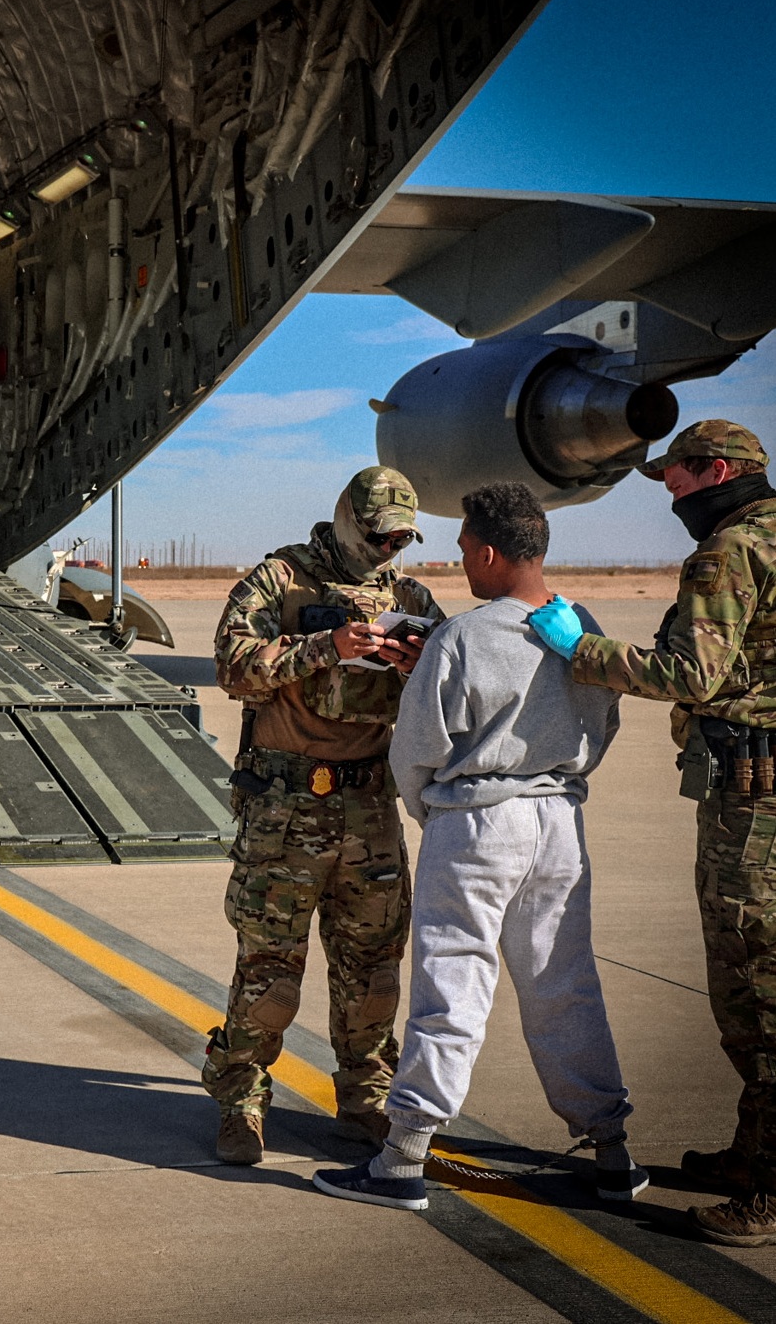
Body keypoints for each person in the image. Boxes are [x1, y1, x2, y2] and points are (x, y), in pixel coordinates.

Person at [315, 483, 643, 1212]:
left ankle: (402, 1158)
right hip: (558, 819)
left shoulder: (461, 637)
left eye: (464, 549)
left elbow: (418, 750)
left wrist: (440, 817)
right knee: (565, 984)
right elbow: (605, 723)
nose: (462, 564)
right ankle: (612, 1150)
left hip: (477, 822)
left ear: (490, 552)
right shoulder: (578, 627)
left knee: (452, 990)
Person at [531, 419, 776, 1247]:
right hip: (759, 786)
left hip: (755, 807)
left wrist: (582, 648)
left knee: (756, 990)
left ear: (713, 471)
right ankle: (751, 1153)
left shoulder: (727, 552)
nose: (668, 493)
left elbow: (691, 673)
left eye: (673, 477)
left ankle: (769, 1190)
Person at [207, 466, 444, 1164]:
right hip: (286, 806)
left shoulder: (411, 597)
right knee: (270, 969)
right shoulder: (280, 580)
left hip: (369, 808)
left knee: (372, 969)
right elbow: (232, 664)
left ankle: (365, 1100)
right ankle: (242, 1101)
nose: (387, 550)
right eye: (377, 535)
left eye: (400, 539)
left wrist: (417, 663)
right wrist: (326, 648)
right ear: (345, 517)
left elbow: (450, 692)